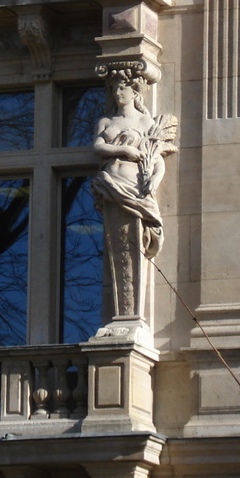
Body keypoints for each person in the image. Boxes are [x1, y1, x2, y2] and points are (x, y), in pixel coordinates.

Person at [92, 70, 177, 323]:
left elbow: (157, 158)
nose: (117, 94)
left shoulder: (146, 123)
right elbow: (97, 147)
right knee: (115, 239)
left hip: (133, 186)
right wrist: (125, 149)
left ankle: (129, 313)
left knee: (131, 241)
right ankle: (125, 314)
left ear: (135, 92)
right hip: (110, 182)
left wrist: (154, 180)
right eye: (114, 89)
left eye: (122, 89)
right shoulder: (106, 121)